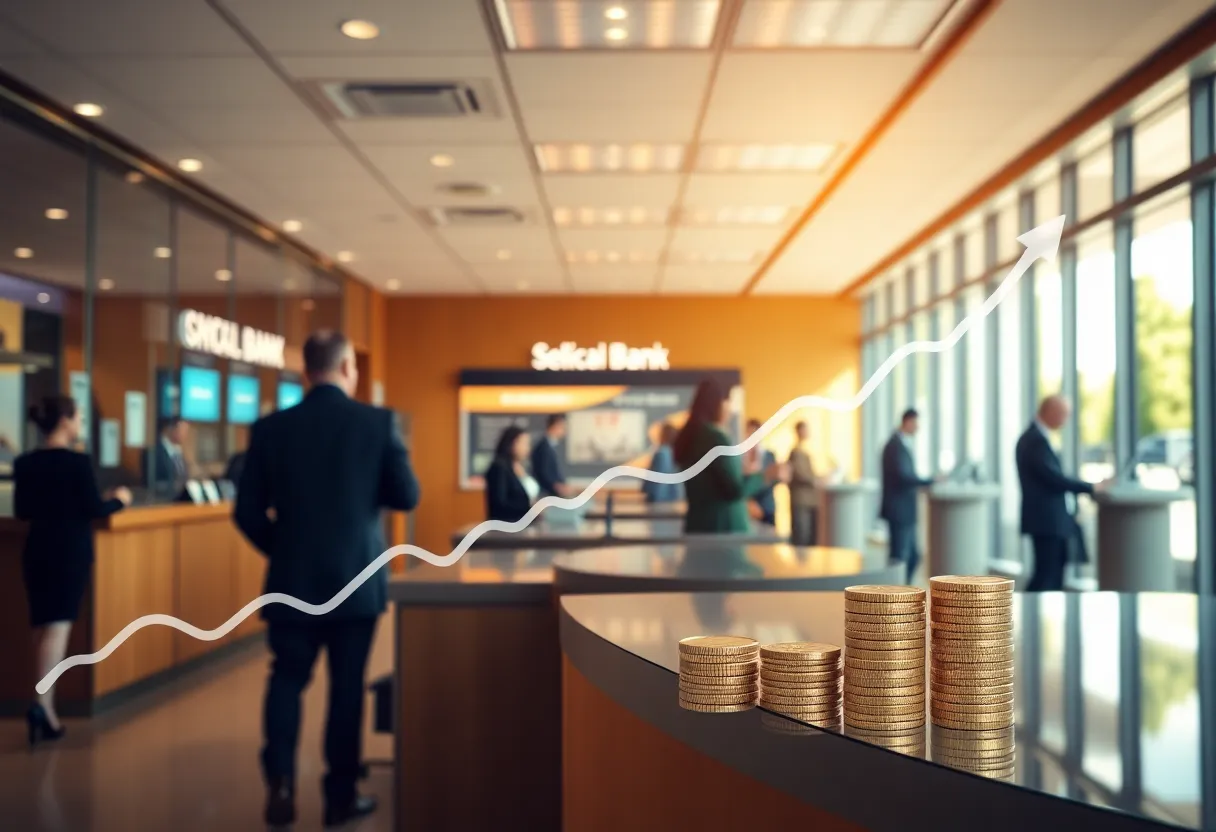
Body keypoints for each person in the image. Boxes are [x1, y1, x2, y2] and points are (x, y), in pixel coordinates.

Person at [235, 331, 420, 828]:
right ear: (347, 369)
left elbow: (247, 512)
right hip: (356, 580)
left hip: (291, 579)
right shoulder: (377, 423)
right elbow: (407, 495)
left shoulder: (270, 429)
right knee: (346, 688)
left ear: (305, 372)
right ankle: (340, 797)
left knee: (286, 678)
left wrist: (284, 549)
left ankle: (280, 781)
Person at [14, 395, 131, 746]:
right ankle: (42, 707)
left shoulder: (25, 463)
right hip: (68, 552)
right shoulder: (77, 463)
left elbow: (22, 510)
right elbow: (95, 508)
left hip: (36, 550)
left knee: (41, 626)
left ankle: (43, 706)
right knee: (57, 628)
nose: (80, 423)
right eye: (78, 417)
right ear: (65, 421)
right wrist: (121, 500)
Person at [1015, 395, 1105, 591]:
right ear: (1050, 412)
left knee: (1050, 573)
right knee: (1047, 575)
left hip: (1049, 519)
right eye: (1064, 414)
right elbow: (1053, 478)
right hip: (1046, 520)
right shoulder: (1034, 440)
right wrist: (1090, 487)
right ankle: (1031, 609)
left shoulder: (1035, 438)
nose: (1065, 420)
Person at [673, 378, 785, 533]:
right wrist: (766, 475)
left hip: (699, 525)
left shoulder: (693, 436)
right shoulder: (715, 438)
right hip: (722, 529)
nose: (730, 410)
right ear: (718, 404)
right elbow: (735, 490)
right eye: (728, 403)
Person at [879, 409, 935, 584]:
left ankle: (902, 589)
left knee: (912, 556)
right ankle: (896, 591)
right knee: (900, 556)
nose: (918, 428)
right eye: (916, 423)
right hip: (899, 510)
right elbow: (903, 476)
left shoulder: (900, 444)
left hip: (905, 510)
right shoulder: (894, 445)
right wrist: (929, 481)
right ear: (908, 422)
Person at [484, 425, 539, 523]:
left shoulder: (523, 467)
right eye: (524, 443)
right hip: (507, 526)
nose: (527, 448)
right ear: (511, 443)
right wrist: (530, 508)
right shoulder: (499, 468)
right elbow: (499, 504)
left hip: (525, 524)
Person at [788, 421, 819, 546]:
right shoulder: (796, 452)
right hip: (801, 500)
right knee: (802, 536)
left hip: (810, 500)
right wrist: (817, 480)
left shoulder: (805, 451)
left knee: (810, 537)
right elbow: (802, 475)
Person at [742, 418, 778, 526]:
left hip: (766, 507)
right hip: (747, 508)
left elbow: (772, 479)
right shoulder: (740, 456)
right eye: (749, 433)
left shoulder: (769, 455)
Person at [143, 416, 190, 492]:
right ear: (171, 429)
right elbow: (150, 482)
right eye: (182, 430)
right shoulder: (154, 452)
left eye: (186, 431)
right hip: (160, 497)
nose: (185, 435)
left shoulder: (179, 452)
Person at [642, 422, 682, 503]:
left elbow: (653, 483)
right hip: (671, 500)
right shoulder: (672, 454)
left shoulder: (662, 453)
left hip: (660, 500)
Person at [529, 413, 568, 498]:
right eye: (563, 428)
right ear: (556, 425)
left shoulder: (549, 446)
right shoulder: (543, 448)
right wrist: (557, 487)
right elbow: (544, 474)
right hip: (546, 495)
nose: (565, 432)